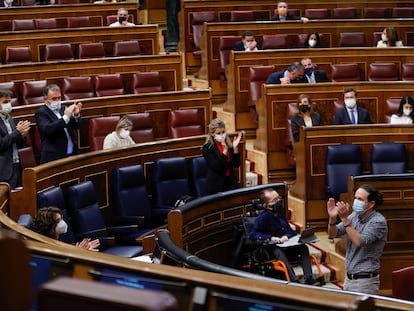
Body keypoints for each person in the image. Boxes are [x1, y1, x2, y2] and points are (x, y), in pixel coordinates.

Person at [250, 188, 321, 285]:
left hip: (286, 245)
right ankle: (293, 280)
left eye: (278, 198)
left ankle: (308, 278)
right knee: (277, 250)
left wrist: (286, 236)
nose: (278, 201)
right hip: (272, 249)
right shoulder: (263, 218)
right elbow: (253, 234)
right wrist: (271, 238)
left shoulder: (280, 214)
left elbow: (290, 231)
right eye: (275, 200)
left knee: (304, 247)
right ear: (266, 206)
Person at [327, 184, 388, 295]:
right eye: (355, 198)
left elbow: (359, 241)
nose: (356, 201)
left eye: (360, 199)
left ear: (371, 204)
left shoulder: (378, 222)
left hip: (365, 282)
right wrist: (332, 218)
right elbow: (333, 234)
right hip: (349, 279)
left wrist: (345, 218)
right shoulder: (354, 216)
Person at [35, 84, 82, 164]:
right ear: (45, 100)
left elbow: (76, 126)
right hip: (54, 158)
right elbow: (48, 130)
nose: (57, 101)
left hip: (72, 154)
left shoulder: (63, 108)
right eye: (54, 99)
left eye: (59, 98)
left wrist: (76, 115)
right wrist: (66, 117)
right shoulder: (41, 113)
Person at [202, 118, 243, 194]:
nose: (222, 135)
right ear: (212, 134)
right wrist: (224, 152)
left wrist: (235, 148)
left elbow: (236, 164)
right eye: (218, 133)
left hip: (230, 183)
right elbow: (217, 167)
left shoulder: (228, 144)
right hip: (216, 186)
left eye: (223, 132)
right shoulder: (207, 148)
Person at [0, 89, 31, 189]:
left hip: (16, 164)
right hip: (4, 169)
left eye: (9, 101)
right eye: (5, 102)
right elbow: (1, 144)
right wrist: (17, 132)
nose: (8, 104)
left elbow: (16, 143)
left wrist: (22, 135)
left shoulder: (9, 118)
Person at [33, 206, 100, 251]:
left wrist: (79, 249)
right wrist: (79, 252)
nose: (62, 222)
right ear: (49, 225)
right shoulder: (47, 248)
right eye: (58, 220)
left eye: (61, 218)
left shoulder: (56, 240)